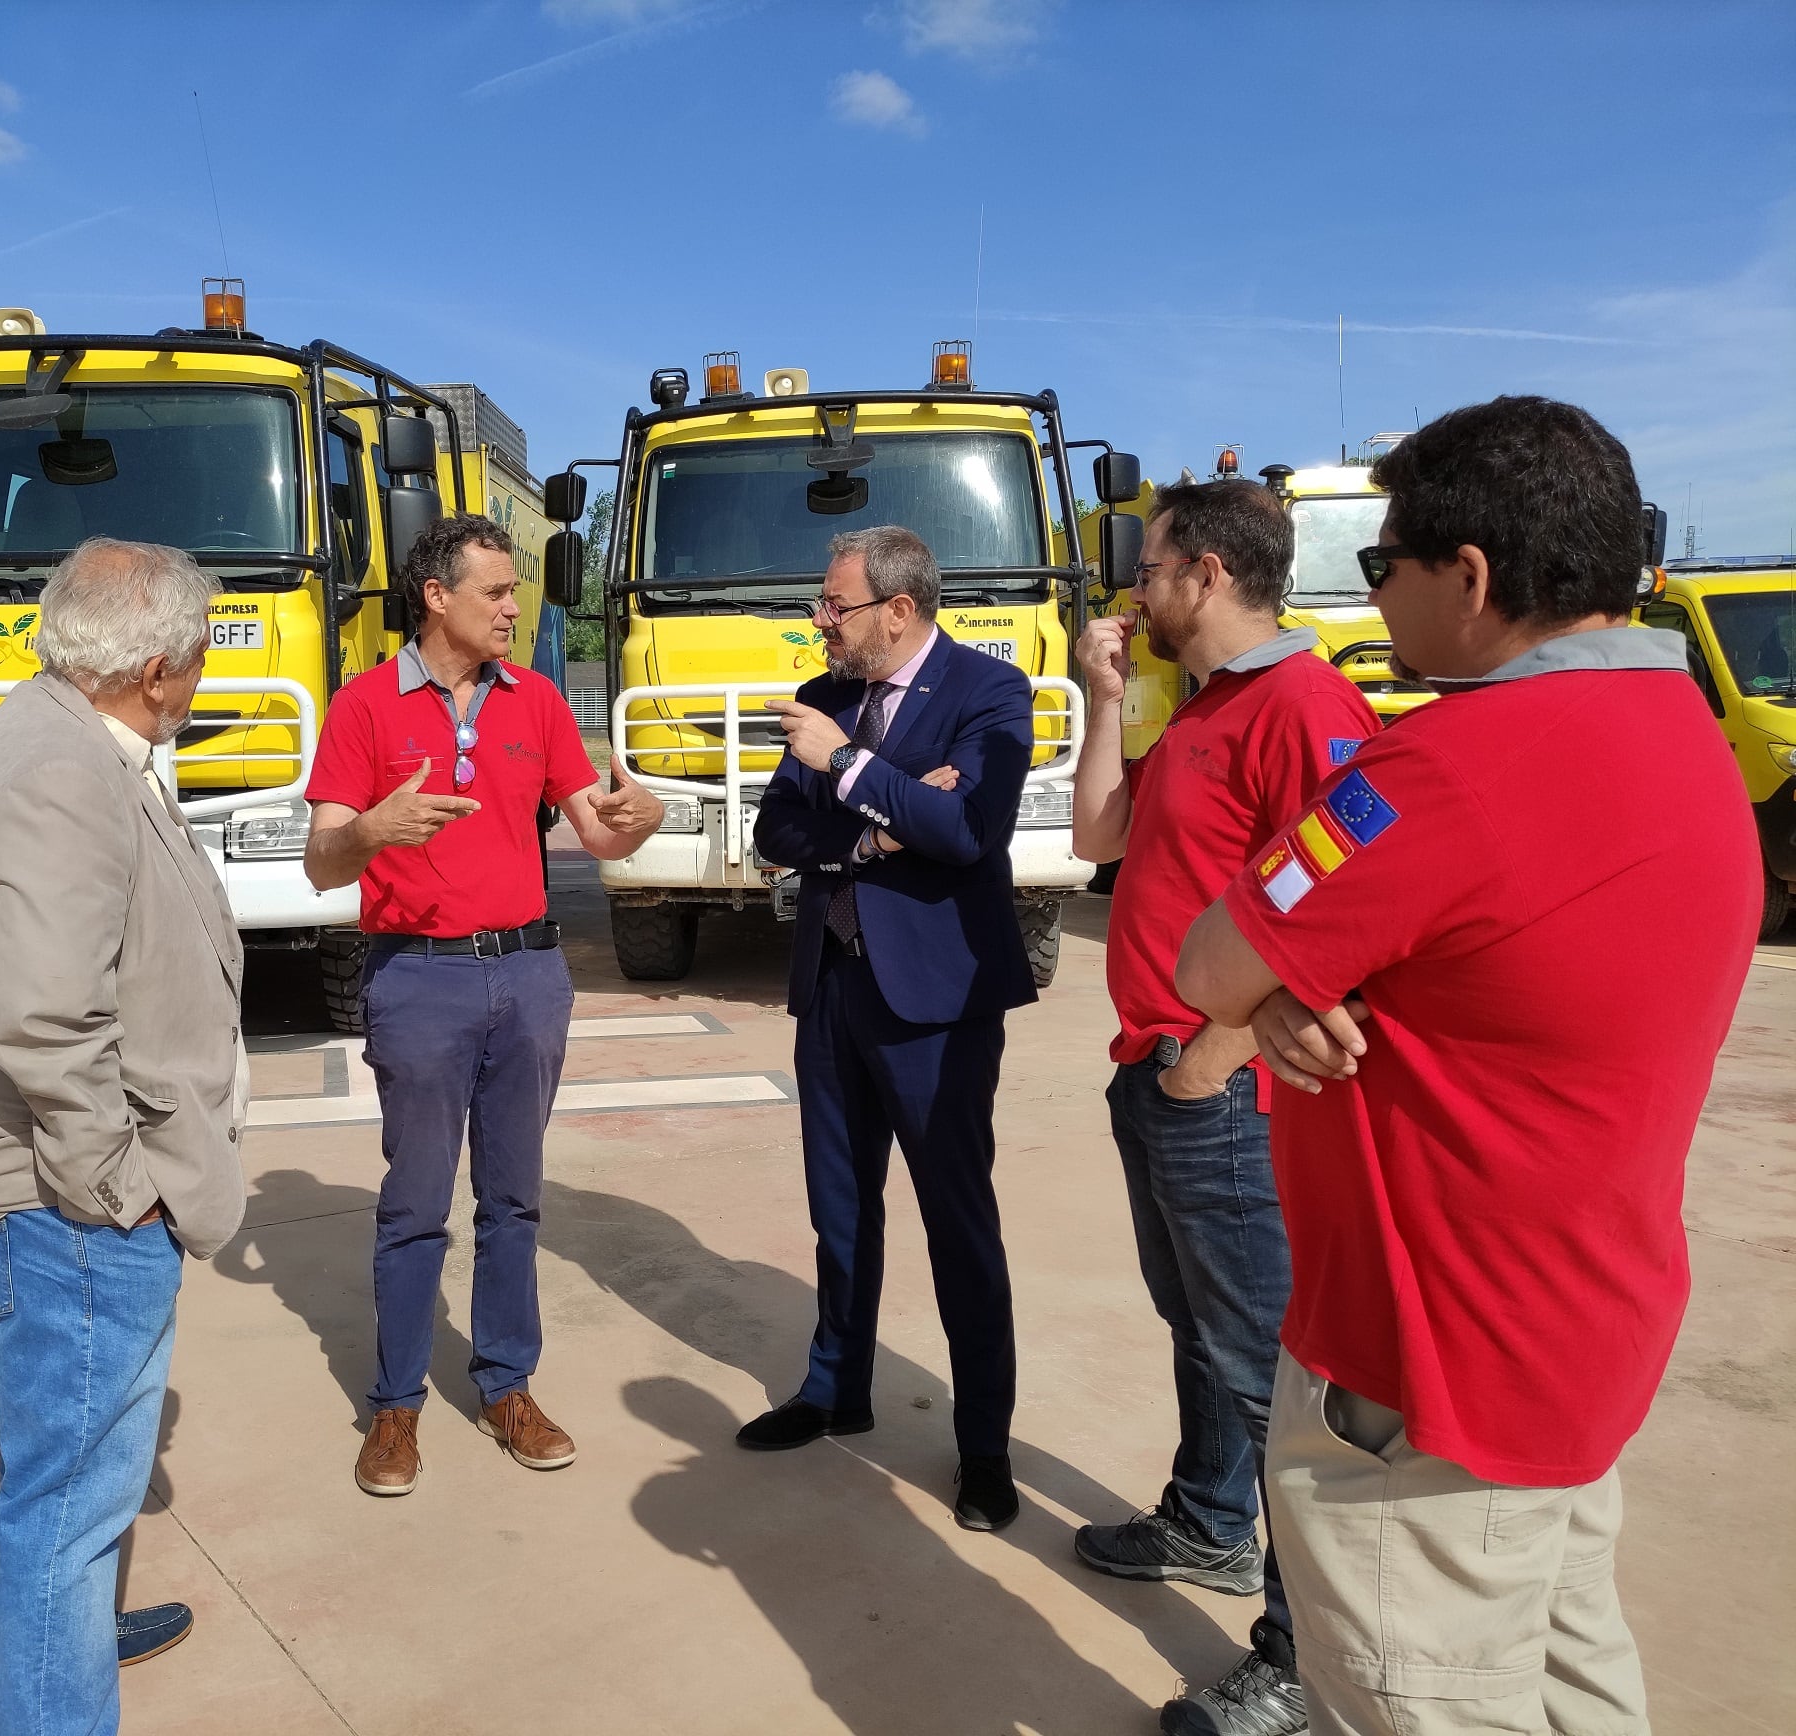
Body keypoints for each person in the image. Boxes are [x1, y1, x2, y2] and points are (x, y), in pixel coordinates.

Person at [1174, 397, 1758, 1736]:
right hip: (1575, 1337)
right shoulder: (1683, 731)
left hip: (1424, 1375)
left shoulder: (1437, 765)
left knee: (1417, 1695)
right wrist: (1306, 984)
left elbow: (1212, 967)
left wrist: (1282, 983)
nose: (1374, 596)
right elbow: (1510, 970)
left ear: (1472, 578)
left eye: (1384, 565)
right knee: (1568, 1679)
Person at [0, 537, 251, 1735]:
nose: (201, 678)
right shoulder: (62, 771)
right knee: (64, 1507)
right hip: (69, 1207)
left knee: (76, 1495)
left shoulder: (65, 736)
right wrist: (123, 1189)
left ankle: (75, 1635)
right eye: (198, 658)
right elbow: (47, 1021)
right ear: (157, 669)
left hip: (68, 1197)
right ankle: (59, 1692)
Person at [1071, 481, 1379, 1736]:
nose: (1131, 590)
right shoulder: (1203, 706)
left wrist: (1216, 1048)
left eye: (1146, 569)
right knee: (1197, 1323)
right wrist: (1102, 699)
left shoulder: (1304, 705)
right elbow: (1098, 831)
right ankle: (1207, 1520)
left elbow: (1352, 891)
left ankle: (1303, 1659)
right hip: (1155, 1070)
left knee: (1263, 1372)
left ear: (1204, 573)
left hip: (1229, 1092)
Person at [302, 512, 664, 1497]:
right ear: (436, 595)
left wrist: (642, 819)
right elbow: (321, 861)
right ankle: (394, 1405)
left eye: (513, 591)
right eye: (496, 592)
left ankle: (507, 1386)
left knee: (513, 1199)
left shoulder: (536, 700)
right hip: (418, 977)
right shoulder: (364, 706)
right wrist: (369, 830)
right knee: (416, 1204)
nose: (513, 609)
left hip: (530, 974)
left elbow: (599, 833)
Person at [745, 523, 1038, 1531]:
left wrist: (846, 767)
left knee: (957, 1220)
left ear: (897, 609)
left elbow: (966, 830)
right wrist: (881, 827)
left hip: (935, 1003)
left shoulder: (988, 692)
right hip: (832, 982)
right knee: (839, 1208)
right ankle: (836, 1387)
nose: (818, 621)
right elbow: (776, 831)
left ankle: (983, 1446)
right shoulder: (824, 695)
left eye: (834, 606)